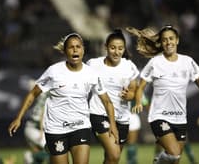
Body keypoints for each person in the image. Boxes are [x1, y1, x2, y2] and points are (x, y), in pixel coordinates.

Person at [8, 33, 119, 164]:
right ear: (65, 51)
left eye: (78, 46)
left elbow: (107, 101)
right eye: (71, 47)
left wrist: (113, 125)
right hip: (56, 129)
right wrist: (18, 118)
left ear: (83, 50)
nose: (75, 49)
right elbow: (33, 93)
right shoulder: (54, 71)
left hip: (80, 127)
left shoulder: (91, 74)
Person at [127, 25, 199, 164]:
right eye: (165, 40)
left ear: (177, 40)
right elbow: (140, 87)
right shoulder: (155, 62)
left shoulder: (188, 61)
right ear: (161, 43)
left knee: (174, 160)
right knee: (174, 153)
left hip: (180, 117)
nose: (168, 42)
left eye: (171, 38)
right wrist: (139, 101)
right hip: (159, 116)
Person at [87, 29, 139, 164]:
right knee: (114, 154)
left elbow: (134, 91)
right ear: (106, 47)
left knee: (111, 159)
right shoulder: (93, 64)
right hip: (99, 114)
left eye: (120, 48)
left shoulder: (129, 66)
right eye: (113, 48)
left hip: (122, 117)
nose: (116, 52)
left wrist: (130, 96)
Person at [23, 81, 49, 164]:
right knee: (50, 149)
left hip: (32, 127)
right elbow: (42, 115)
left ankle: (32, 158)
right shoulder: (48, 97)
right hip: (34, 128)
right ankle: (30, 156)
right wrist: (42, 131)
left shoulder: (43, 95)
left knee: (41, 152)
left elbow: (33, 84)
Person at [127, 94, 149, 164]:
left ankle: (131, 162)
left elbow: (145, 103)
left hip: (131, 116)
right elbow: (145, 103)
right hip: (122, 117)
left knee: (131, 143)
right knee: (129, 143)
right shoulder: (138, 88)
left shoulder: (138, 89)